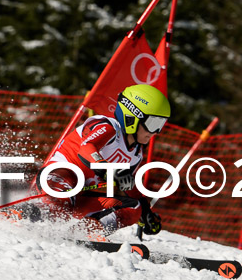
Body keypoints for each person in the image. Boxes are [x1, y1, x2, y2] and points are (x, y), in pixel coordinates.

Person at [36, 84, 170, 237]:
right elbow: (86, 149)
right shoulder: (108, 126)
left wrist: (146, 212)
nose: (156, 132)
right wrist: (110, 170)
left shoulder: (136, 153)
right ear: (132, 117)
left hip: (83, 196)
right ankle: (23, 215)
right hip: (60, 178)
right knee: (59, 204)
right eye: (153, 124)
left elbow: (127, 185)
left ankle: (84, 234)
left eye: (160, 125)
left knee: (133, 208)